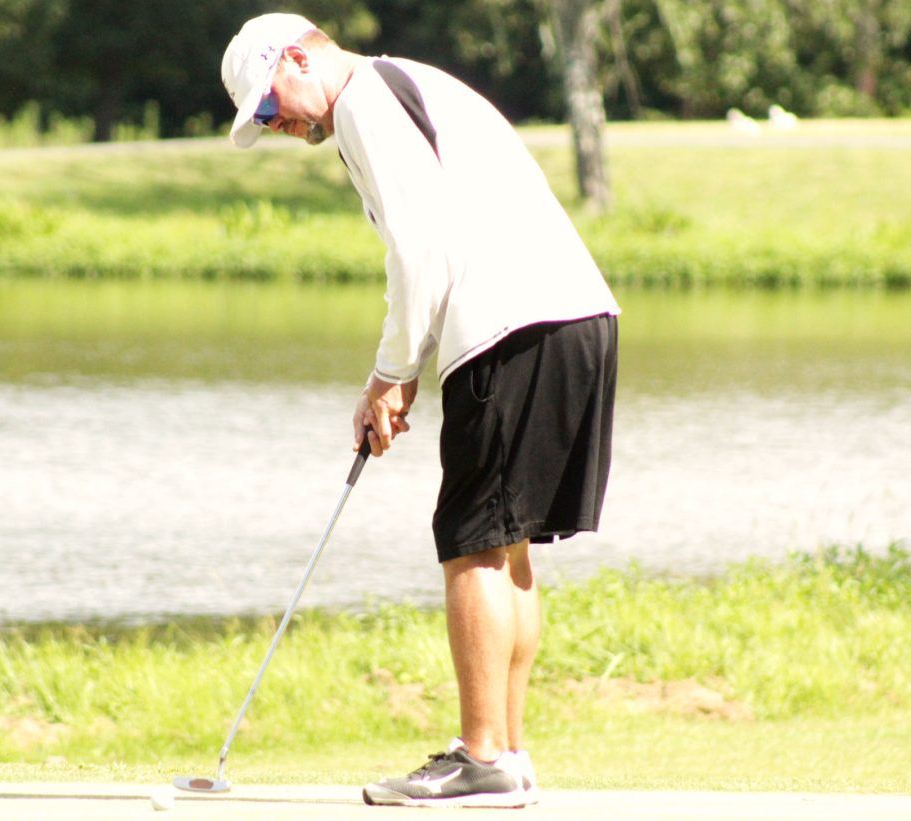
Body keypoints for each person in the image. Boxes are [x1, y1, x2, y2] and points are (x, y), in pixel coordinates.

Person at [221, 13, 620, 809]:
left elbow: (417, 250)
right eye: (264, 122)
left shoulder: (368, 100)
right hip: (576, 317)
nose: (280, 126)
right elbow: (436, 243)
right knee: (504, 546)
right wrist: (399, 373)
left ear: (299, 57)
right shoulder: (405, 85)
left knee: (471, 543)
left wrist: (389, 374)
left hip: (513, 324)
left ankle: (481, 759)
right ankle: (505, 752)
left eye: (271, 105)